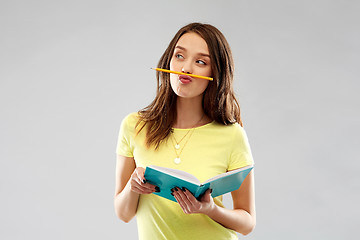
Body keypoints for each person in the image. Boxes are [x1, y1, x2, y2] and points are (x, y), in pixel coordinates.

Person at [114, 22, 255, 240]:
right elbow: (123, 214)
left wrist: (210, 209)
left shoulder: (232, 135)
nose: (186, 68)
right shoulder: (134, 126)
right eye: (179, 56)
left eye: (200, 62)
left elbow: (247, 223)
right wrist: (132, 188)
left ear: (215, 73)